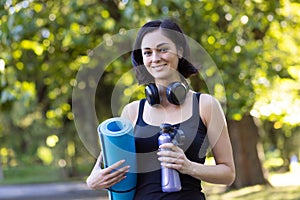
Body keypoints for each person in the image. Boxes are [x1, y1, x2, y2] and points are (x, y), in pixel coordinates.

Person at [86, 19, 235, 200]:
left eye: (163, 49)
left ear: (180, 51)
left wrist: (189, 167)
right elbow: (105, 160)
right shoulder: (132, 111)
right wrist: (92, 180)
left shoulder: (206, 105)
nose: (155, 58)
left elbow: (228, 173)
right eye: (147, 52)